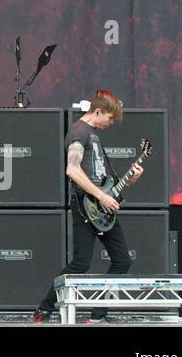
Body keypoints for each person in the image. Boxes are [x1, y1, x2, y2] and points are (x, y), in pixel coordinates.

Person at [33, 91, 144, 323]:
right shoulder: (78, 132)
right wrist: (101, 198)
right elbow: (72, 170)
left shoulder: (93, 135)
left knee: (122, 260)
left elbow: (103, 179)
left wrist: (130, 180)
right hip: (86, 207)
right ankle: (44, 308)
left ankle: (98, 315)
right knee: (80, 264)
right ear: (97, 111)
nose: (111, 123)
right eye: (110, 118)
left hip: (103, 210)